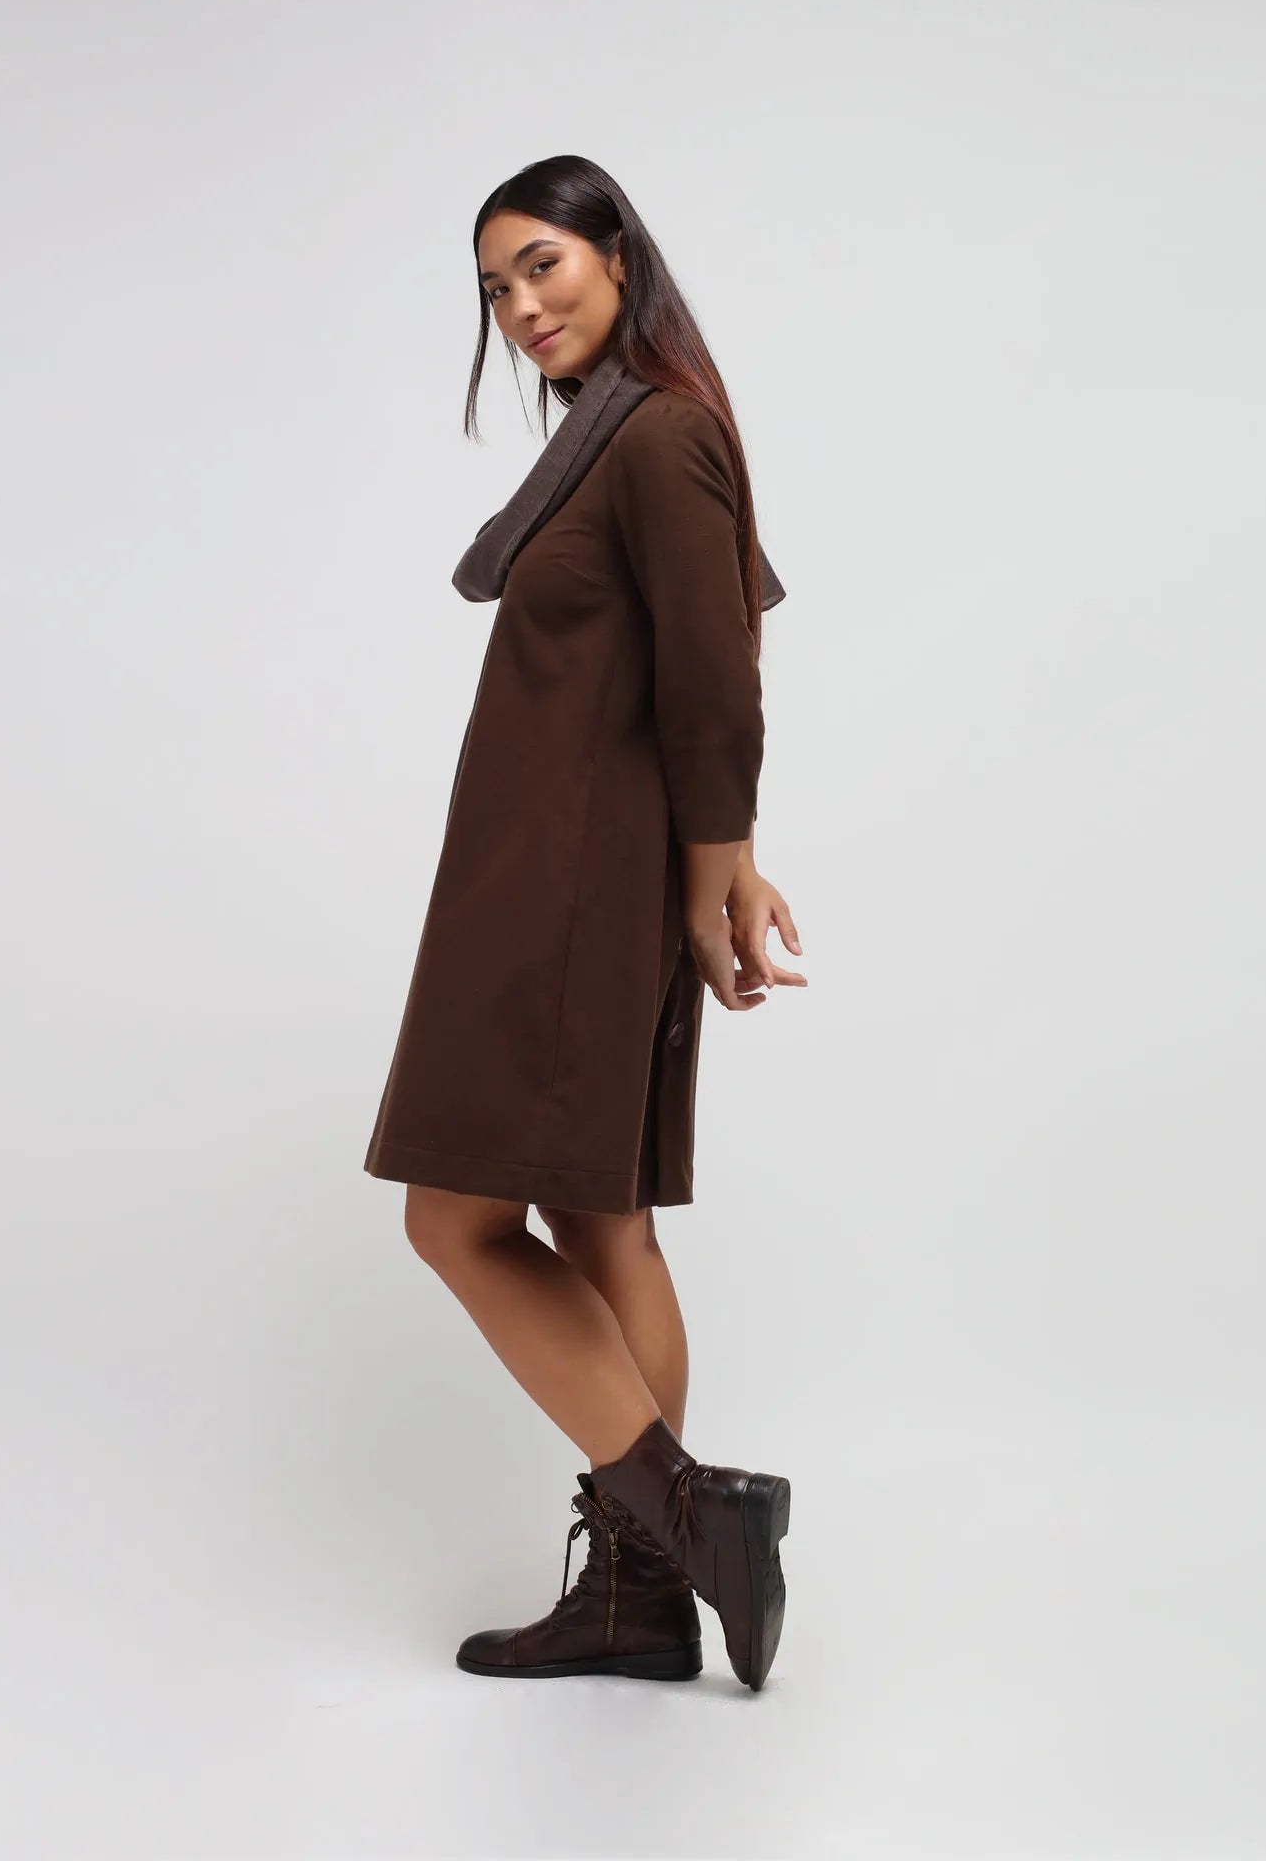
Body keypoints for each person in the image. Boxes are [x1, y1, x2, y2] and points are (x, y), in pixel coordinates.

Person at [362, 155, 805, 1690]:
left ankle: (692, 1525)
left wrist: (715, 877)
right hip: (548, 879)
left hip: (569, 896)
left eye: (543, 265)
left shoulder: (661, 438)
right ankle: (642, 1595)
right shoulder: (602, 446)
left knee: (453, 1218)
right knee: (594, 1220)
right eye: (496, 288)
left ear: (620, 255)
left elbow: (715, 672)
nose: (522, 305)